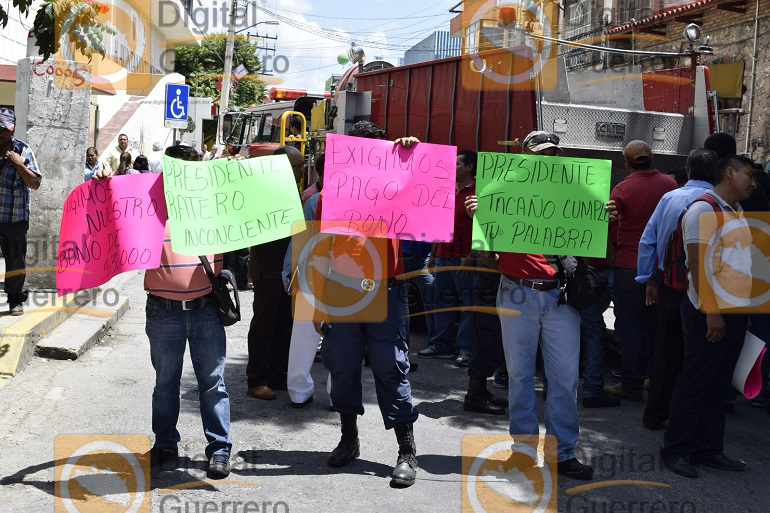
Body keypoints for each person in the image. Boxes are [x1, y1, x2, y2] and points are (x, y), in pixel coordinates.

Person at [471, 131, 617, 481]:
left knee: (565, 379)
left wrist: (606, 222)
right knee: (520, 377)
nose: (547, 160)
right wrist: (481, 218)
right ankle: (522, 453)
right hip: (516, 292)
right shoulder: (499, 194)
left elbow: (598, 255)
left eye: (553, 154)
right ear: (524, 156)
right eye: (540, 154)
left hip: (562, 297)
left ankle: (562, 453)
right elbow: (486, 257)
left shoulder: (577, 195)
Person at [97, 144, 232, 478]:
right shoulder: (146, 205)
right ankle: (165, 446)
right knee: (165, 384)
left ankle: (219, 449)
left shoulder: (214, 203)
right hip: (163, 311)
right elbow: (111, 212)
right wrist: (104, 183)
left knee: (213, 383)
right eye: (176, 171)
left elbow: (251, 204)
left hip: (205, 310)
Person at [312, 120, 421, 487]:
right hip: (341, 293)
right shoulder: (331, 192)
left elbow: (426, 189)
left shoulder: (398, 188)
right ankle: (349, 439)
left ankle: (406, 451)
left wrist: (410, 152)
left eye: (379, 152)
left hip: (385, 291)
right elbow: (319, 247)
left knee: (391, 367)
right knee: (342, 367)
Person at [661, 155, 754, 478]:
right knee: (696, 379)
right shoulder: (702, 209)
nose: (753, 182)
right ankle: (675, 449)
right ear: (730, 173)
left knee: (718, 382)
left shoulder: (735, 211)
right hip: (708, 311)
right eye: (749, 174)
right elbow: (698, 266)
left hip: (735, 310)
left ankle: (709, 448)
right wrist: (712, 311)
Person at [638, 149, 717, 430]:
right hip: (709, 288)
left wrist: (648, 279)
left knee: (665, 350)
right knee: (697, 356)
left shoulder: (671, 198)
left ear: (690, 171)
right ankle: (687, 421)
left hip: (672, 284)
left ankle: (655, 414)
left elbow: (648, 240)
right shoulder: (720, 203)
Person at [605, 141, 677, 402]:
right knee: (657, 326)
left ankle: (631, 384)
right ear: (652, 159)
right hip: (662, 267)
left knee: (631, 326)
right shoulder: (670, 184)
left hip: (629, 265)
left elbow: (608, 223)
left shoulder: (623, 188)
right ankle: (653, 379)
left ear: (626, 163)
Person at [245, 146, 304, 400]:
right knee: (264, 326)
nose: (303, 170)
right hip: (269, 271)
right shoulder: (263, 193)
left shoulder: (295, 192)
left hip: (288, 272)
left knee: (285, 326)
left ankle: (277, 375)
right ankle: (256, 380)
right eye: (298, 166)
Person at [418, 150, 477, 366]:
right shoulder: (446, 191)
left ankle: (466, 349)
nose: (453, 166)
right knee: (441, 302)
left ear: (470, 167)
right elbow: (438, 224)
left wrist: (471, 257)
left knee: (468, 306)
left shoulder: (478, 192)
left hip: (464, 259)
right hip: (443, 256)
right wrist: (433, 255)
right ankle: (441, 345)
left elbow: (482, 229)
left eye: (458, 163)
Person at [285, 154, 325, 407]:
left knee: (304, 336)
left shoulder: (314, 199)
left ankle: (299, 391)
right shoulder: (315, 200)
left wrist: (289, 273)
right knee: (344, 339)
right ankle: (338, 394)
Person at [0, 108, 41, 316]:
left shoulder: (23, 151)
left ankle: (15, 299)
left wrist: (18, 164)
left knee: (16, 262)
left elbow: (35, 183)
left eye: (5, 128)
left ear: (12, 128)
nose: (1, 132)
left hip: (14, 218)